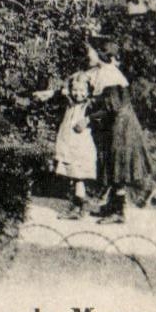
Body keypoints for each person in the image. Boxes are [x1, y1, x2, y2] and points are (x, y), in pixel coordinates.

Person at [86, 36, 151, 222]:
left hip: (122, 128)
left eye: (90, 51)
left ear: (100, 53)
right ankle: (112, 205)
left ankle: (119, 211)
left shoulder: (109, 75)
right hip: (116, 125)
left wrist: (88, 119)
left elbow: (111, 107)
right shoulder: (103, 72)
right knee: (113, 163)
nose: (87, 54)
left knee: (118, 165)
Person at [51, 71, 98, 215]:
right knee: (73, 175)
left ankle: (79, 205)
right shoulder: (70, 103)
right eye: (75, 90)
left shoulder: (88, 106)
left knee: (78, 174)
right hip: (68, 144)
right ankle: (78, 203)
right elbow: (62, 93)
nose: (78, 94)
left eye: (82, 90)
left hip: (80, 146)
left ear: (88, 91)